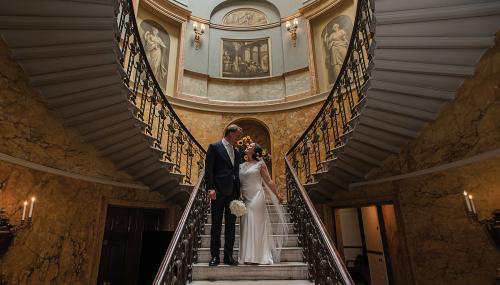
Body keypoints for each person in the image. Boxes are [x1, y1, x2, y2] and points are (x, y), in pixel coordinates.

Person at [238, 142, 287, 265]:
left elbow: (269, 181)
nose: (247, 146)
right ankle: (247, 256)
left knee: (256, 224)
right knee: (246, 224)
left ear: (255, 152)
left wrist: (277, 195)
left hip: (257, 197)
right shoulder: (241, 165)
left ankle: (259, 256)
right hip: (245, 198)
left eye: (250, 146)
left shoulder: (260, 164)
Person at [204, 124, 243, 266]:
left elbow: (237, 172)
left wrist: (239, 191)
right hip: (218, 191)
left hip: (233, 192)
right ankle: (215, 256)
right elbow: (209, 170)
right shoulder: (214, 147)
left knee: (231, 226)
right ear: (230, 133)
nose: (239, 138)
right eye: (237, 135)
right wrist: (210, 188)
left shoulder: (237, 152)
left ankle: (228, 256)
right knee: (216, 225)